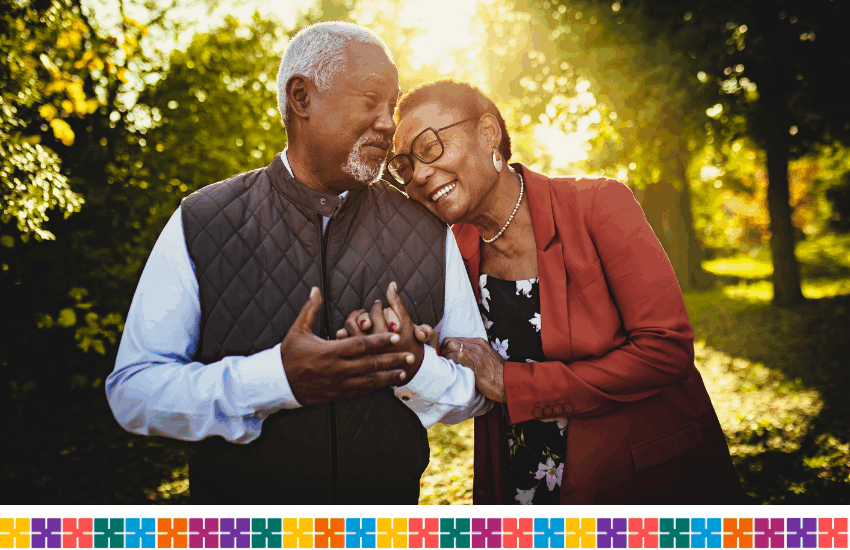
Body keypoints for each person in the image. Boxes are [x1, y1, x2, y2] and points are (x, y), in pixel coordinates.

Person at [105, 25, 491, 505]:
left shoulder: (428, 231)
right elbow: (133, 393)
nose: (389, 124)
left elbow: (478, 391)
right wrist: (277, 379)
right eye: (371, 99)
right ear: (302, 97)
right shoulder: (201, 220)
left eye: (390, 106)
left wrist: (413, 368)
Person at [381, 78, 746, 504]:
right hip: (525, 484)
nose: (419, 175)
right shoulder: (450, 252)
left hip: (640, 481)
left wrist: (514, 384)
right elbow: (461, 366)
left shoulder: (598, 204)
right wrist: (422, 348)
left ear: (487, 133)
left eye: (429, 147)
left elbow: (666, 350)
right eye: (405, 166)